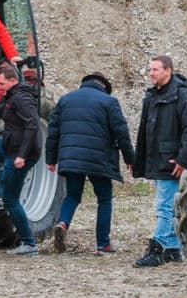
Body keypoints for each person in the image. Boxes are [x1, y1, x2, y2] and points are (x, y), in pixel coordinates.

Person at [45, 72, 133, 255]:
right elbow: (121, 132)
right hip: (98, 159)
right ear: (104, 86)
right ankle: (103, 244)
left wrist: (51, 159)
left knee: (72, 196)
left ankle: (62, 223)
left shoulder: (65, 100)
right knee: (104, 199)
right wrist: (129, 159)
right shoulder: (109, 101)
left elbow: (53, 132)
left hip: (71, 156)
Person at [131, 55, 187, 268]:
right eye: (149, 70)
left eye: (155, 70)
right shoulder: (152, 95)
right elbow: (144, 131)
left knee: (164, 205)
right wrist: (137, 158)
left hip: (170, 158)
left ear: (168, 71)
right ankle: (172, 248)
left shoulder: (181, 95)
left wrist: (183, 158)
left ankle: (158, 246)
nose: (150, 73)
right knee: (166, 203)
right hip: (156, 157)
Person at [0, 61, 41, 256]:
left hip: (20, 153)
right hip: (8, 146)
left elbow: (33, 125)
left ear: (13, 80)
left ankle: (29, 244)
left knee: (11, 199)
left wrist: (21, 156)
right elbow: (0, 113)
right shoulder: (11, 95)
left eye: (1, 84)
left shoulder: (22, 99)